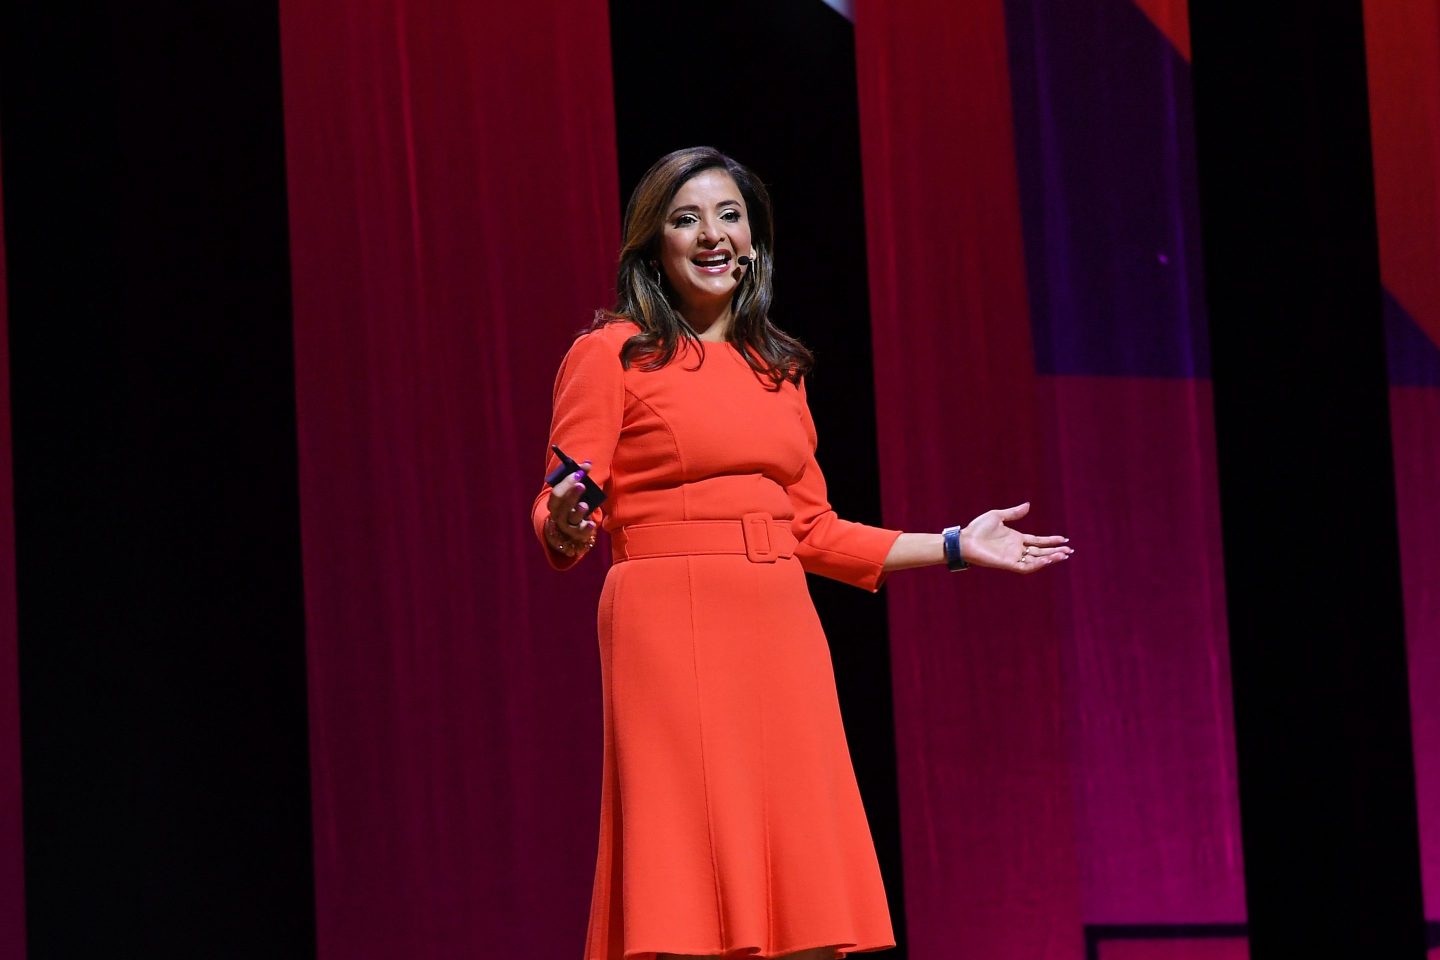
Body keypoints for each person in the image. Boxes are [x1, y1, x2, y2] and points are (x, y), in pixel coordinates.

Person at [532, 146, 1072, 960]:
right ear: (653, 245)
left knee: (802, 883)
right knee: (688, 868)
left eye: (729, 216)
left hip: (780, 624)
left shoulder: (777, 370)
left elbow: (813, 529)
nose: (712, 235)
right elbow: (561, 496)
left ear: (753, 239)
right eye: (685, 220)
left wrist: (956, 545)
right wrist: (568, 522)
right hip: (667, 622)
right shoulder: (613, 352)